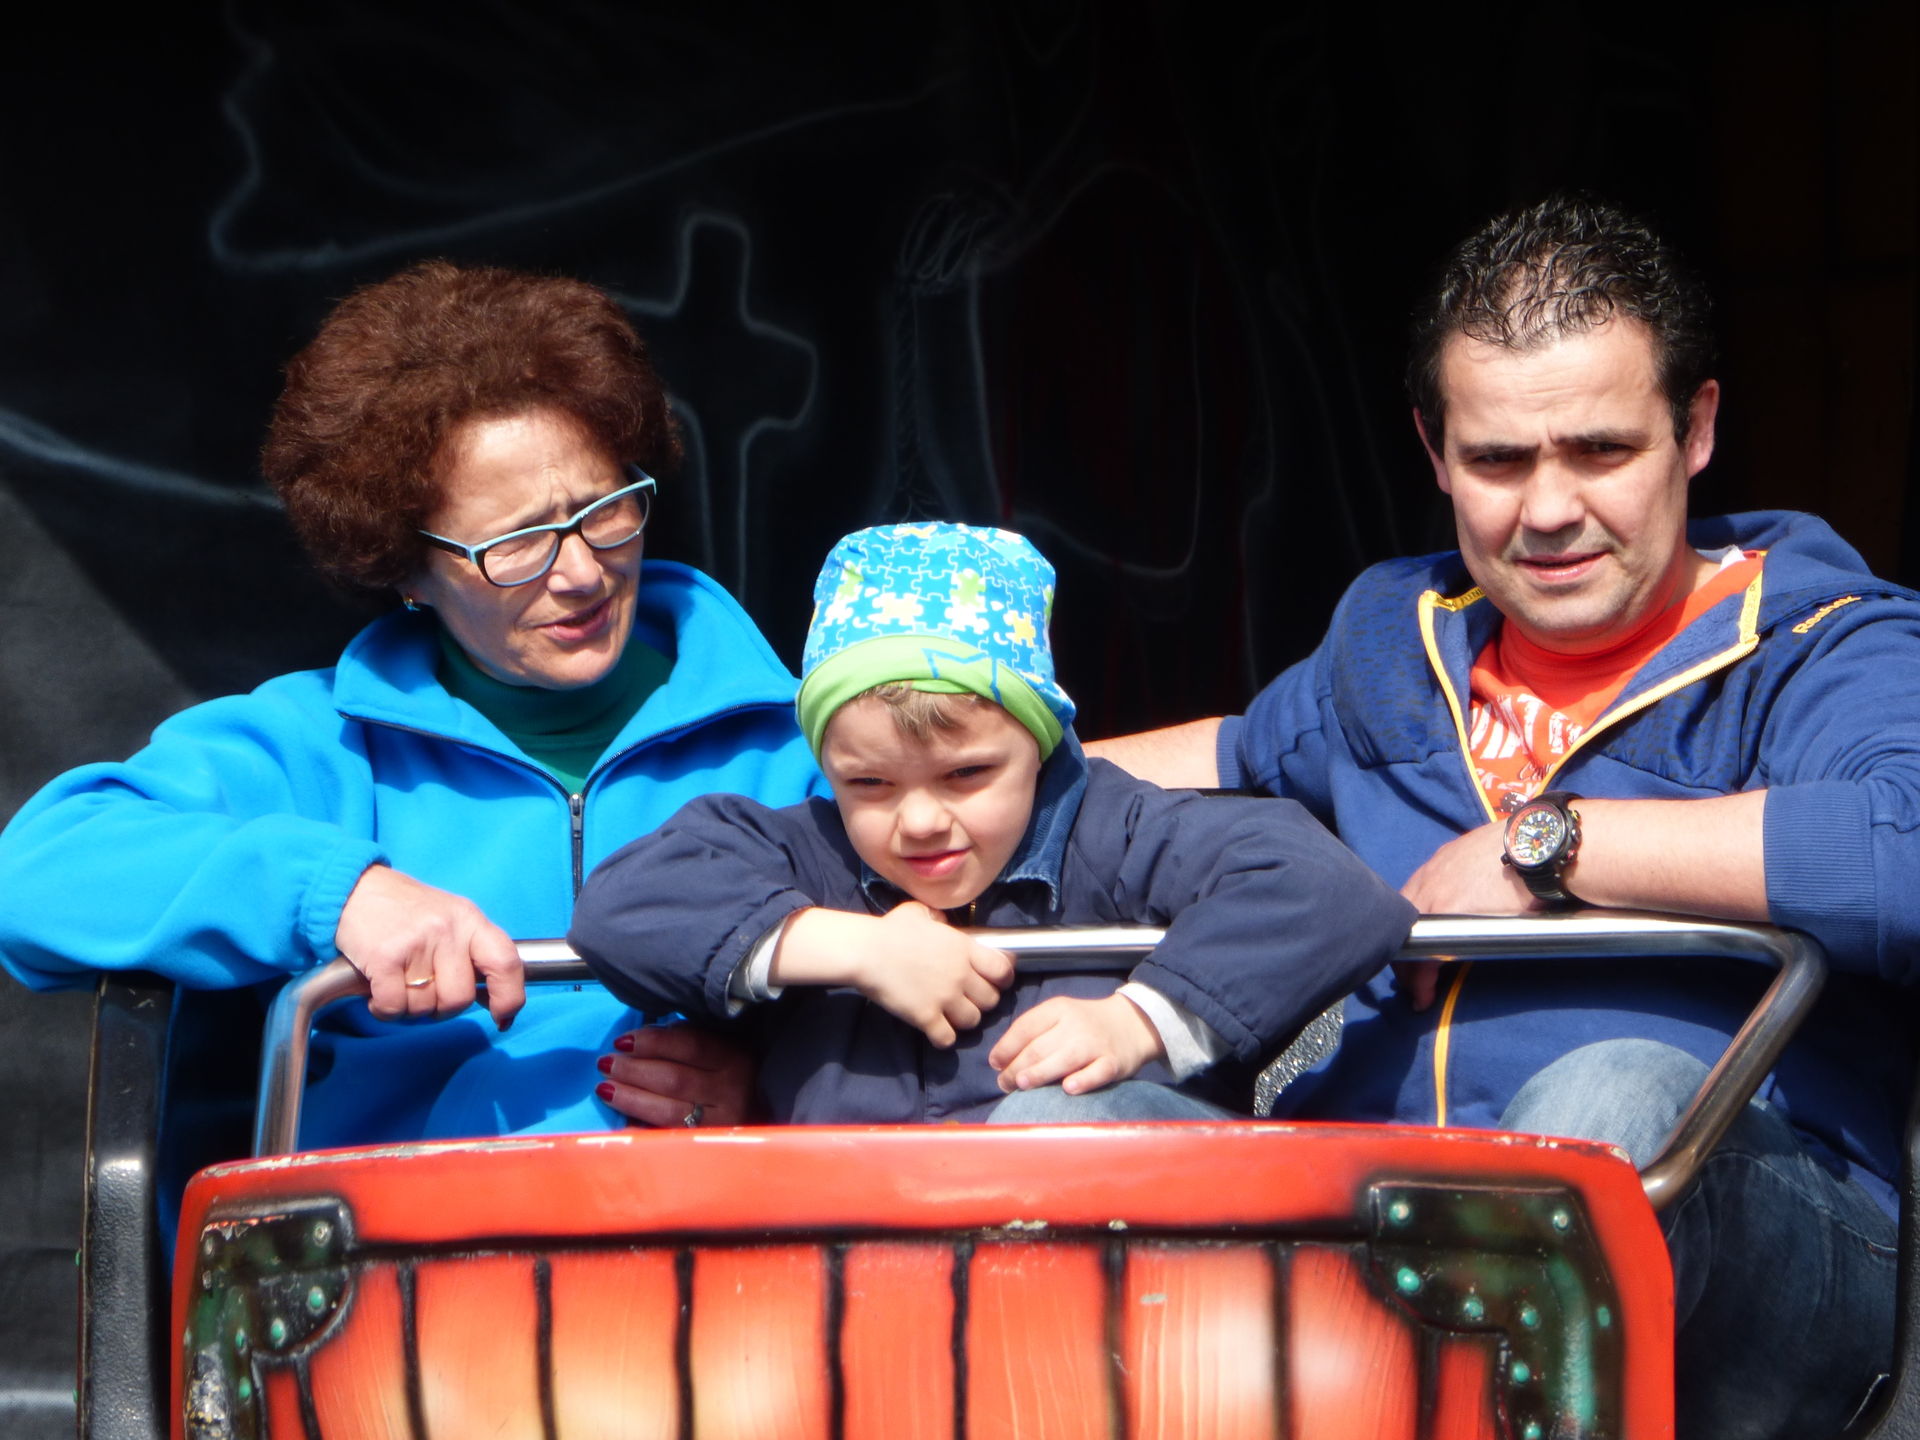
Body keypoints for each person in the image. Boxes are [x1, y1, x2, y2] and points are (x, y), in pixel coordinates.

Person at [1088, 194, 1920, 1439]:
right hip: (1370, 1220)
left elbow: (1903, 848)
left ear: (1695, 429)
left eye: (1600, 451)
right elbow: (1228, 755)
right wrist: (871, 796)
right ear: (1434, 452)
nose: (1548, 509)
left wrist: (1552, 848)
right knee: (1062, 1120)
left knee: (1611, 1097)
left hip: (1751, 1241)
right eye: (1498, 461)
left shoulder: (1827, 645)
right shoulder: (1387, 645)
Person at [0, 260, 821, 1150]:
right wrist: (337, 895)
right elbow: (40, 872)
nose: (583, 572)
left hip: (718, 1226)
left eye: (605, 510)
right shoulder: (319, 747)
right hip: (399, 1228)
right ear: (405, 569)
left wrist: (775, 1092)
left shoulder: (810, 744)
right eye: (518, 543)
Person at [569, 523, 1415, 1124]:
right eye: (869, 783)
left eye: (967, 774)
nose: (920, 820)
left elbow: (1330, 890)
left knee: (1053, 1121)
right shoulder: (804, 851)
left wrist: (1139, 1021)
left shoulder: (1115, 830)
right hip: (873, 1263)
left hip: (1118, 1261)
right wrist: (858, 949)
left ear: (1039, 745)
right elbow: (621, 907)